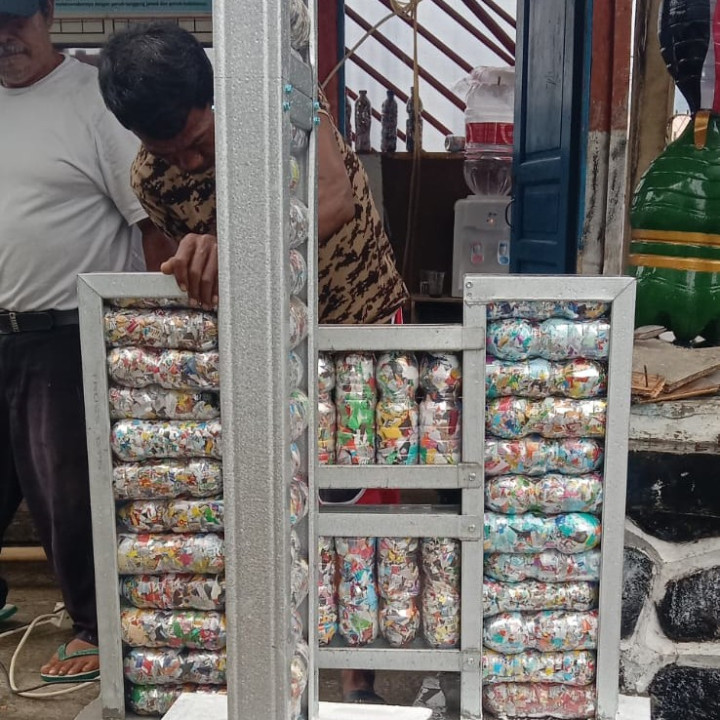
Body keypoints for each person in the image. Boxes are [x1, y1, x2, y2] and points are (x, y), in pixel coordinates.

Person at [98, 23, 408, 704]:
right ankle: (287, 668)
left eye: (198, 142)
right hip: (268, 346)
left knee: (357, 494)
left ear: (213, 97)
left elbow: (332, 200)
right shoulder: (152, 180)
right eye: (168, 151)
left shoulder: (285, 107)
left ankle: (357, 681)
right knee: (280, 500)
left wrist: (229, 243)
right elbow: (194, 269)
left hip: (357, 321)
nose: (187, 162)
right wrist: (196, 264)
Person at [0, 0, 167, 683]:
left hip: (69, 333)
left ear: (46, 15)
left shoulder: (93, 100)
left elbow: (152, 221)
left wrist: (153, 338)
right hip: (4, 326)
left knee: (67, 490)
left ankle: (98, 628)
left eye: (16, 19)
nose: (5, 36)